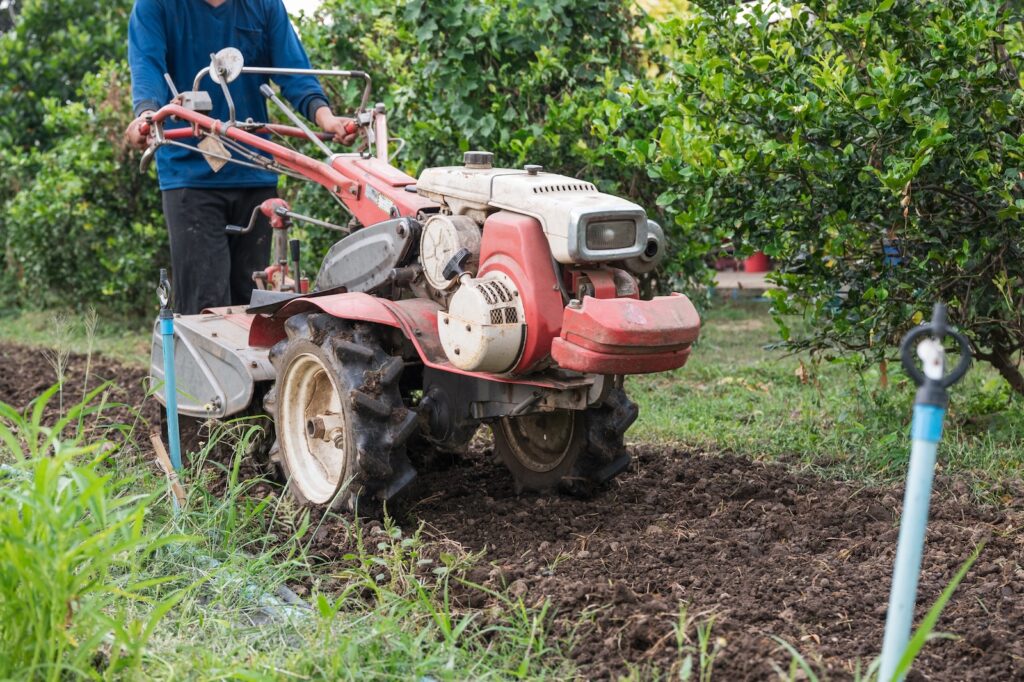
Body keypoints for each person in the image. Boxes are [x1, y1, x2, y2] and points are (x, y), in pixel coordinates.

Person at [124, 0, 355, 314]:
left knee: (253, 303)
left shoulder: (264, 6)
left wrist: (327, 119)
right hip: (191, 176)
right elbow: (147, 67)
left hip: (254, 168)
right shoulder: (156, 7)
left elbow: (293, 72)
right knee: (205, 304)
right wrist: (148, 116)